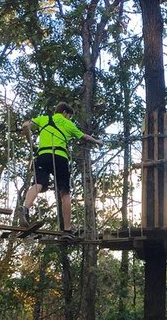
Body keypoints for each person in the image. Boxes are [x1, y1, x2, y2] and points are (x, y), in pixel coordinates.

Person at [18, 101, 103, 237]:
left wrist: (31, 144)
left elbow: (25, 125)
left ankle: (25, 209)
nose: (69, 118)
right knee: (65, 193)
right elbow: (84, 137)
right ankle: (67, 230)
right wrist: (97, 141)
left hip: (43, 155)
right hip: (60, 157)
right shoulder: (68, 124)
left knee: (38, 184)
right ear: (65, 113)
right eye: (69, 116)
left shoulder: (44, 119)